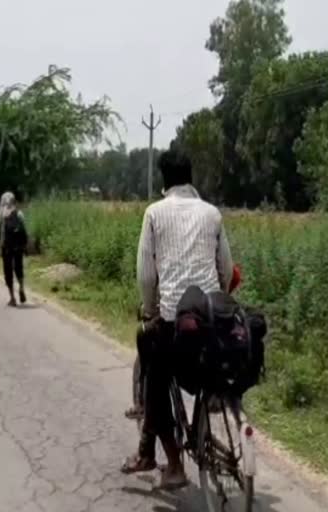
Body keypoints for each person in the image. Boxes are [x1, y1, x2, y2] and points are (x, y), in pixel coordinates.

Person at [120, 147, 233, 490]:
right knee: (205, 369)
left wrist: (150, 308)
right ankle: (209, 406)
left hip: (172, 321)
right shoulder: (212, 213)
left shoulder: (154, 213)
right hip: (212, 317)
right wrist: (220, 298)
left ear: (164, 181)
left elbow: (145, 274)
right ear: (191, 178)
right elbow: (226, 268)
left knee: (155, 385)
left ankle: (171, 464)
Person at [0, 191, 28, 306]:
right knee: (19, 267)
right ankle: (22, 288)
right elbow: (24, 231)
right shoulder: (19, 213)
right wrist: (25, 247)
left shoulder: (0, 214)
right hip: (18, 246)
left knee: (8, 272)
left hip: (6, 246)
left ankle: (12, 298)